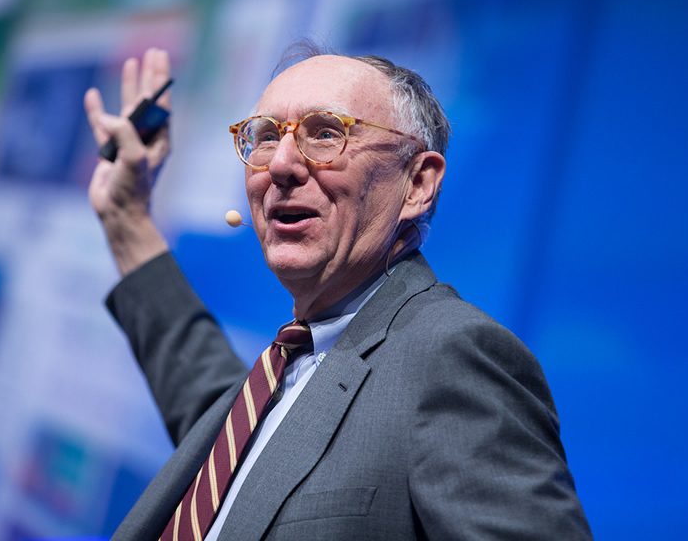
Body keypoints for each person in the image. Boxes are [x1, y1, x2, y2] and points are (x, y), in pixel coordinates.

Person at [84, 45, 592, 540]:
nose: (280, 165)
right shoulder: (278, 381)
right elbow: (225, 435)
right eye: (265, 137)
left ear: (417, 183)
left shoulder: (453, 355)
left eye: (326, 133)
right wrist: (126, 218)